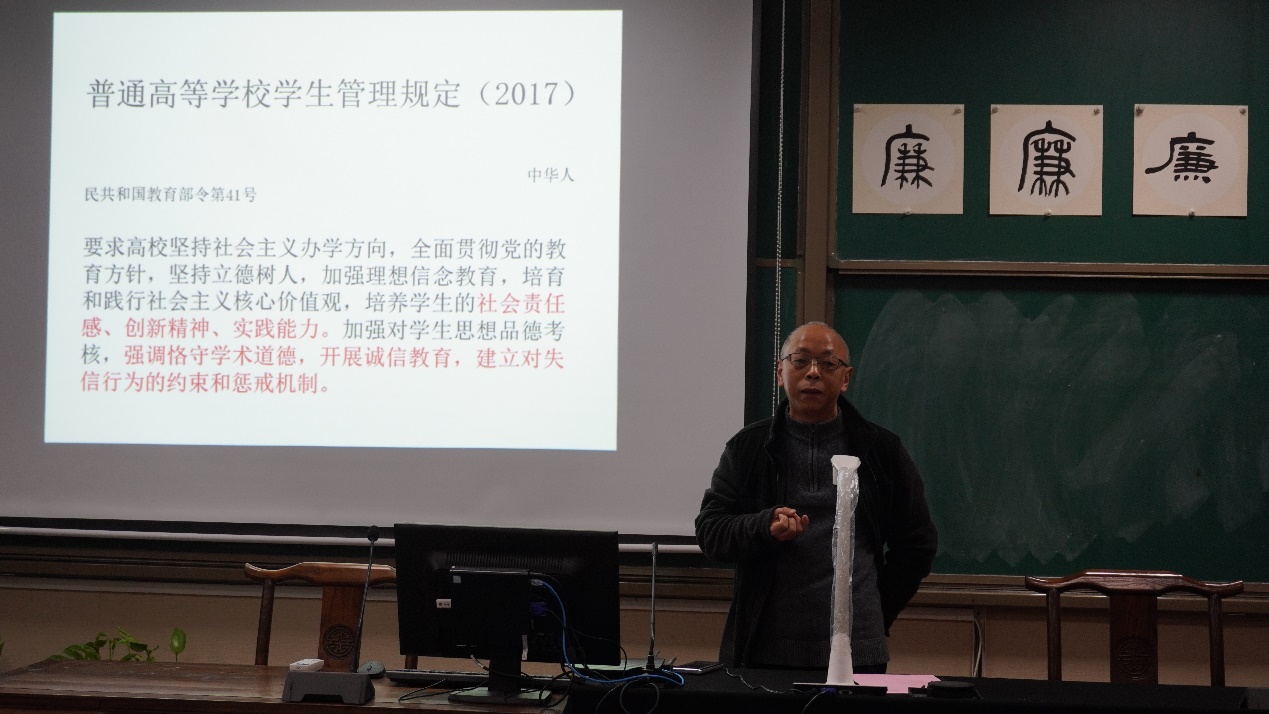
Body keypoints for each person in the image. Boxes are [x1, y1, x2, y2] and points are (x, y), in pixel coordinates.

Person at [695, 321, 937, 672]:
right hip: (763, 651)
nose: (813, 373)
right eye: (800, 361)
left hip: (858, 652)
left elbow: (917, 543)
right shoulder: (748, 449)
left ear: (846, 378)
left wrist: (874, 610)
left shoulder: (881, 451)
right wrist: (763, 527)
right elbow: (711, 532)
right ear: (780, 373)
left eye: (827, 363)